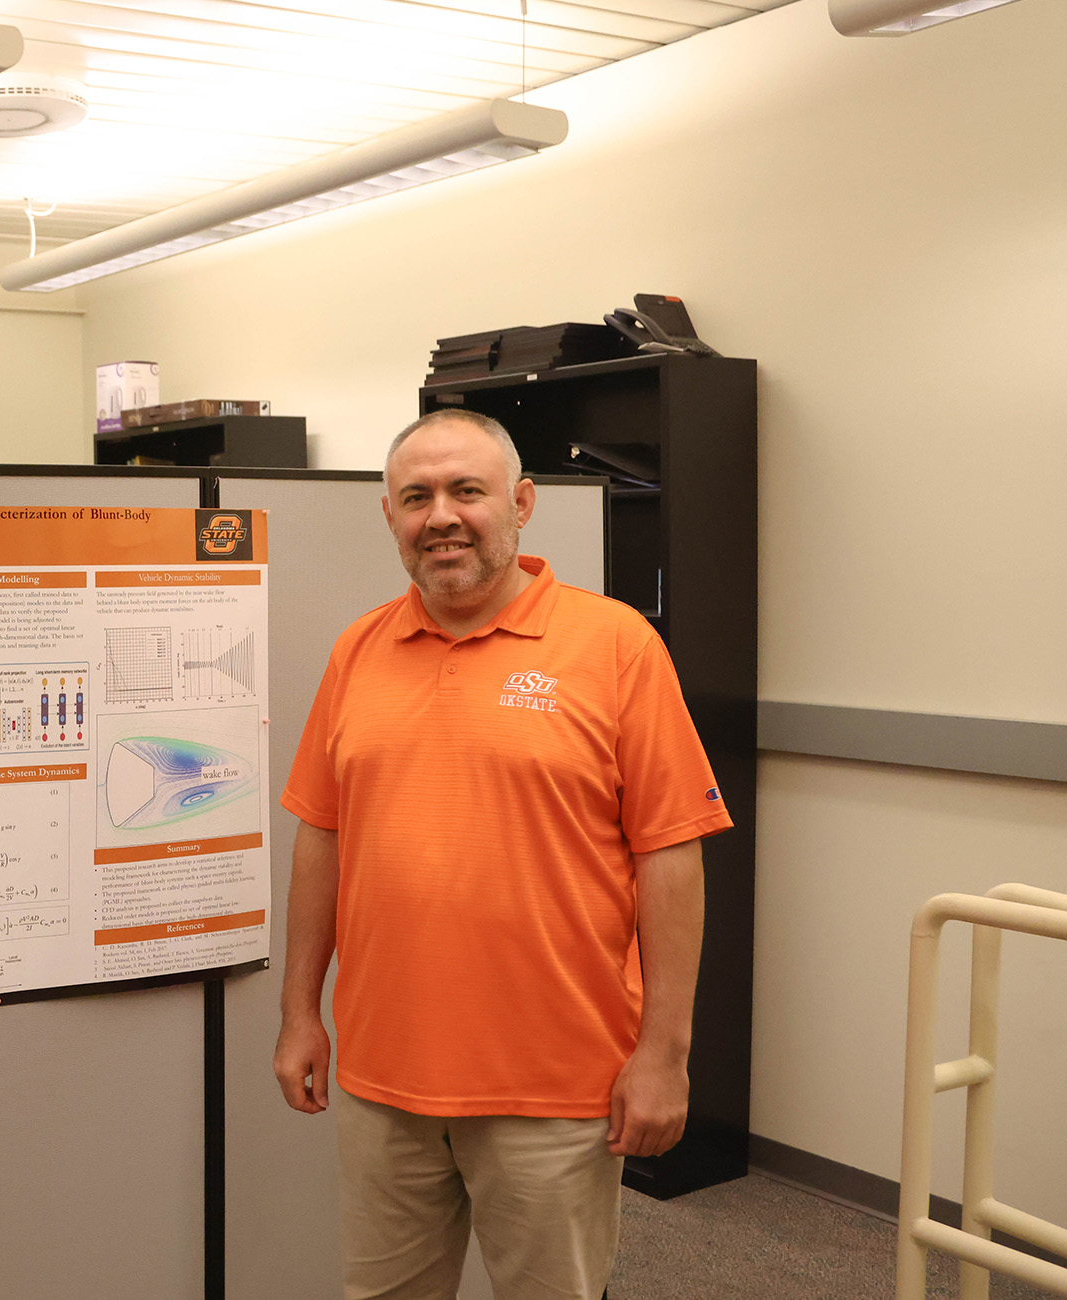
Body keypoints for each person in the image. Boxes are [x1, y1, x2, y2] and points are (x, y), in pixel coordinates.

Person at [271, 409, 732, 1300]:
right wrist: (299, 1012)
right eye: (416, 497)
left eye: (466, 491)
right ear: (391, 517)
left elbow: (671, 853)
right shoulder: (358, 650)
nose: (441, 515)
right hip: (382, 1079)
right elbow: (320, 838)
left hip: (556, 1086)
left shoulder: (615, 646)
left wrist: (664, 1055)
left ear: (519, 504)